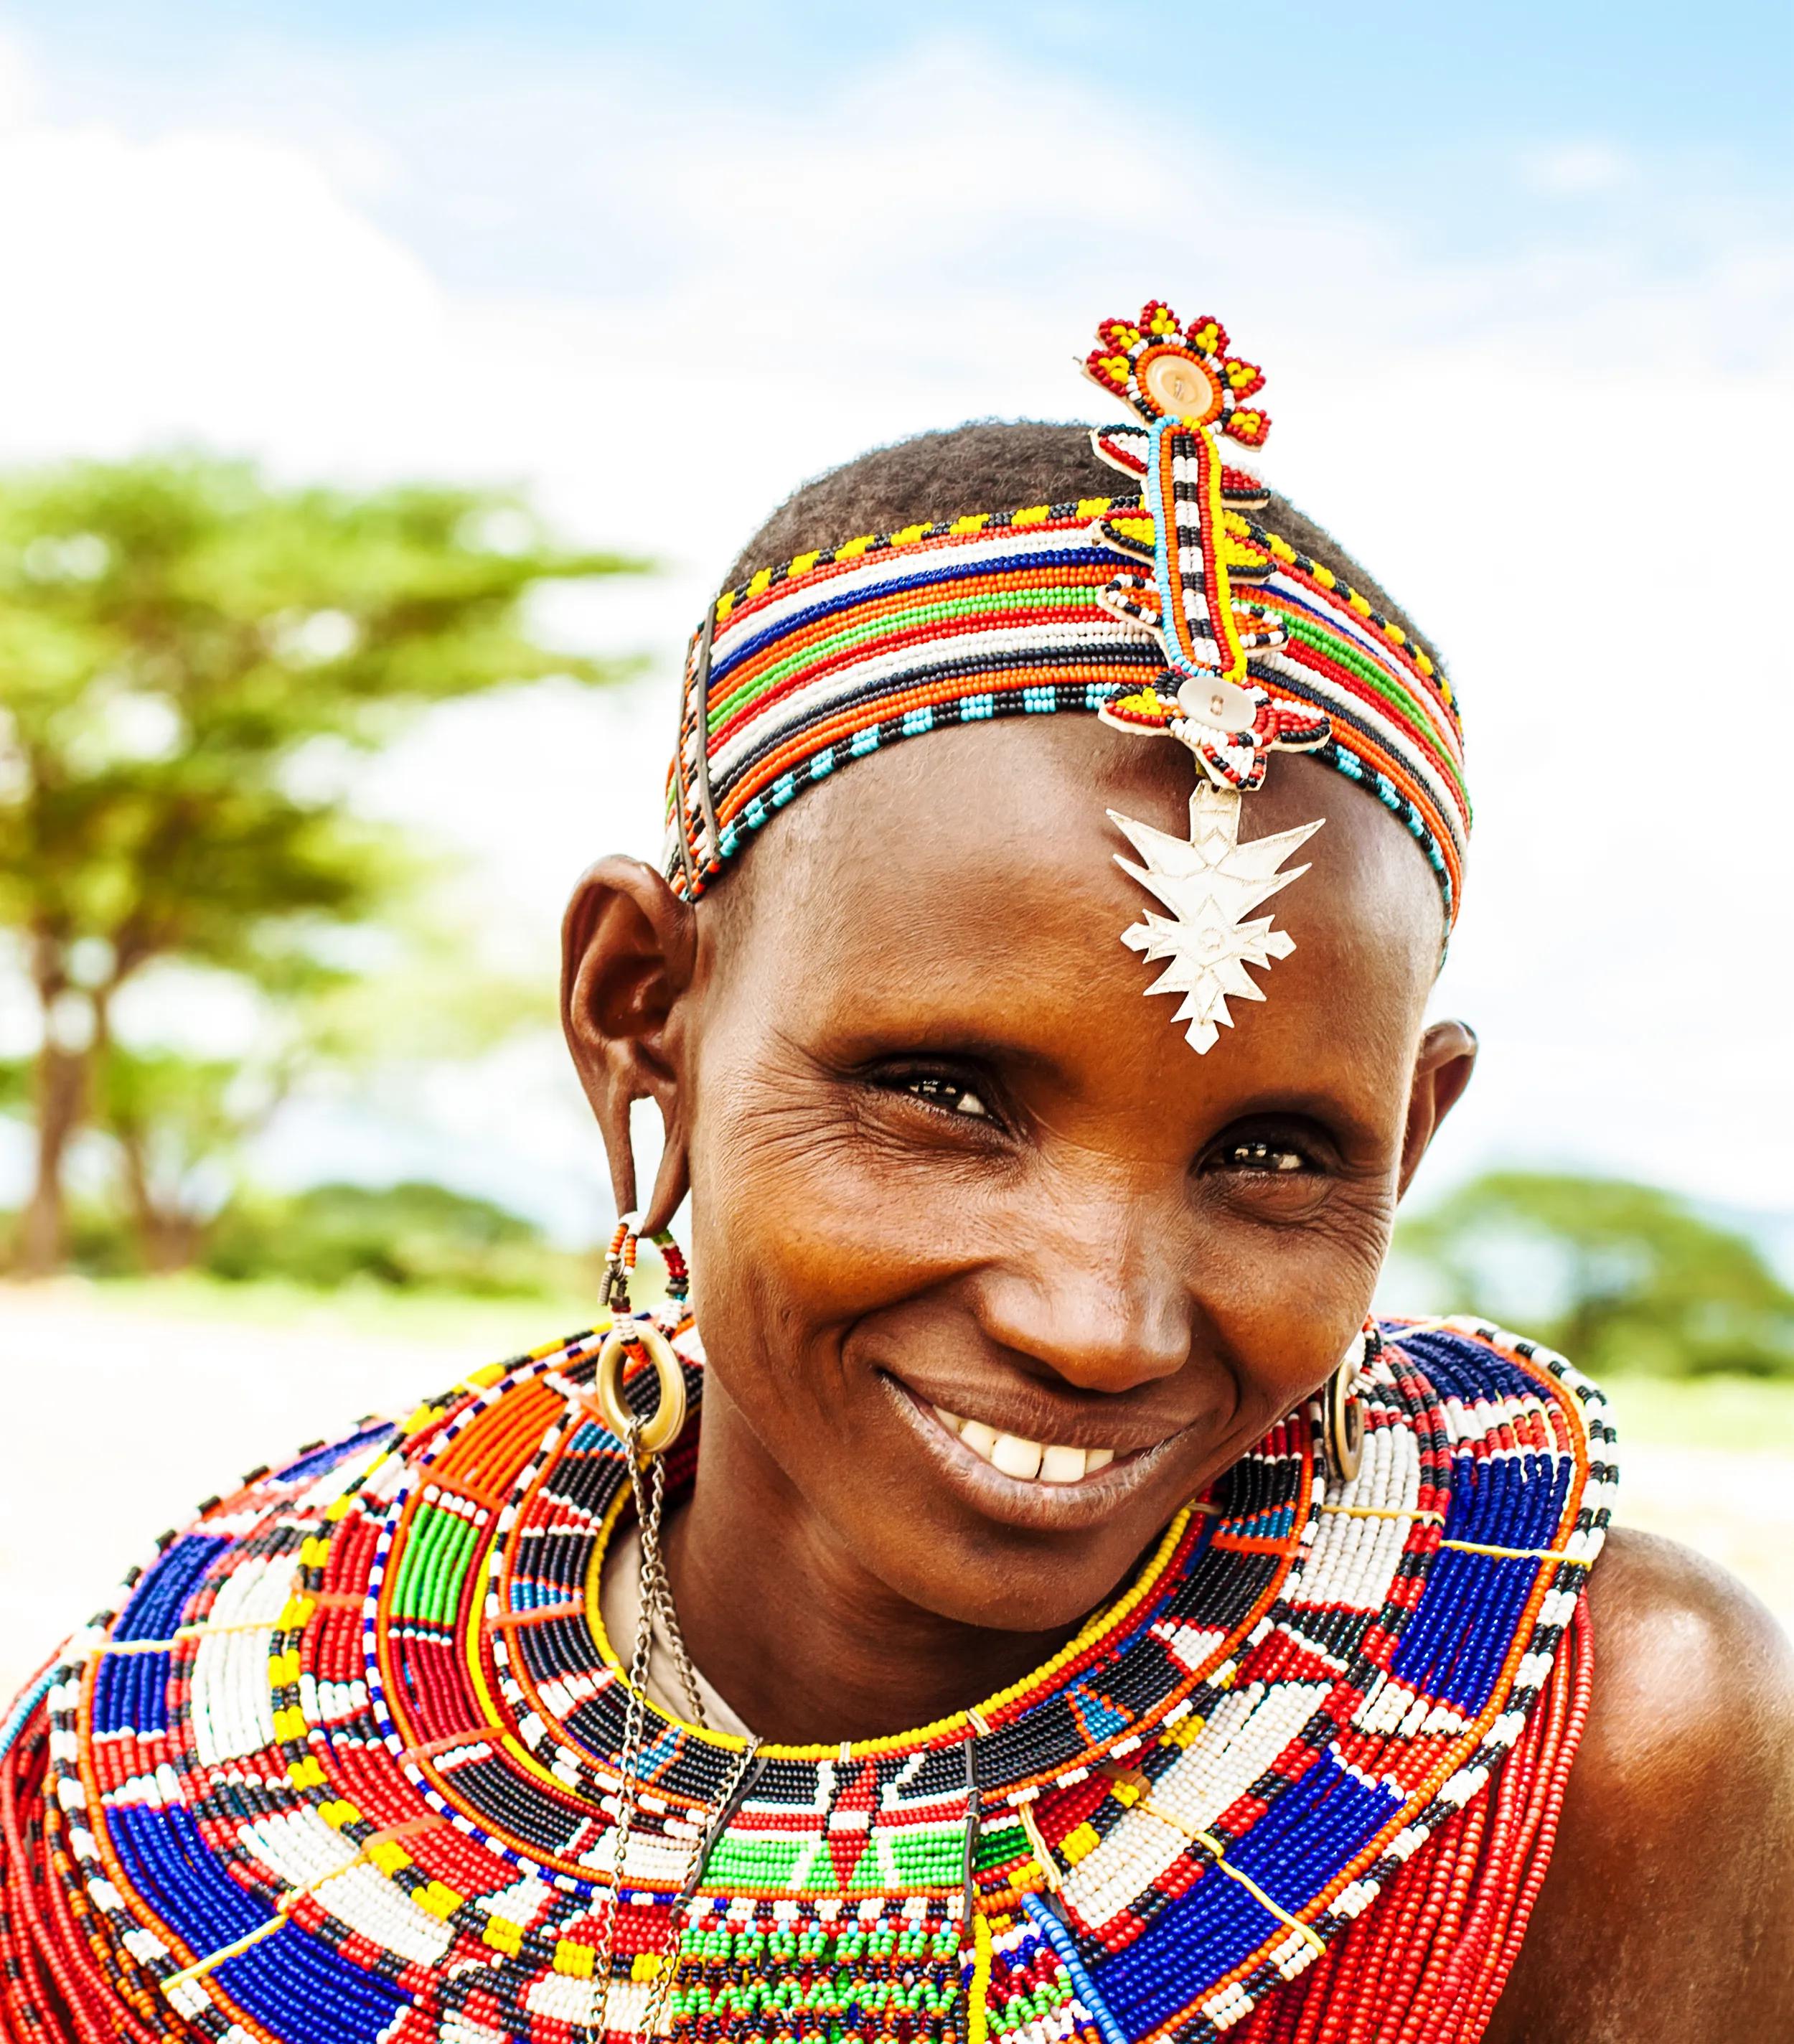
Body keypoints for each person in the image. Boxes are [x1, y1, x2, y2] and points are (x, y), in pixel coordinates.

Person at [1, 298, 1789, 2044]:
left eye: (1270, 1150)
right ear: (644, 1016)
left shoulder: (1600, 1735)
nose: (1100, 1319)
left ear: (1407, 1139)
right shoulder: (159, 1773)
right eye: (942, 1093)